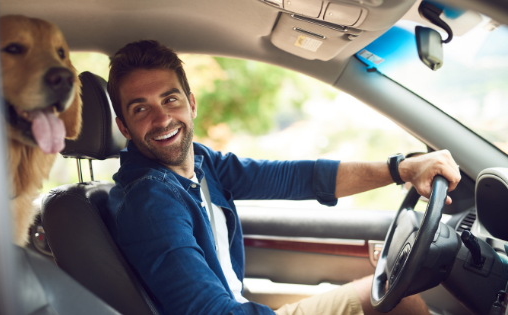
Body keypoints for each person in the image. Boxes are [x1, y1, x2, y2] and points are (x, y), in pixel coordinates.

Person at [105, 40, 461, 315]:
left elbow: (297, 177)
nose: (162, 118)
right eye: (141, 108)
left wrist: (401, 168)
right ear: (123, 126)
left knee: (400, 300)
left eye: (170, 99)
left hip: (239, 306)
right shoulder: (149, 201)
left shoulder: (200, 163)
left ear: (191, 103)